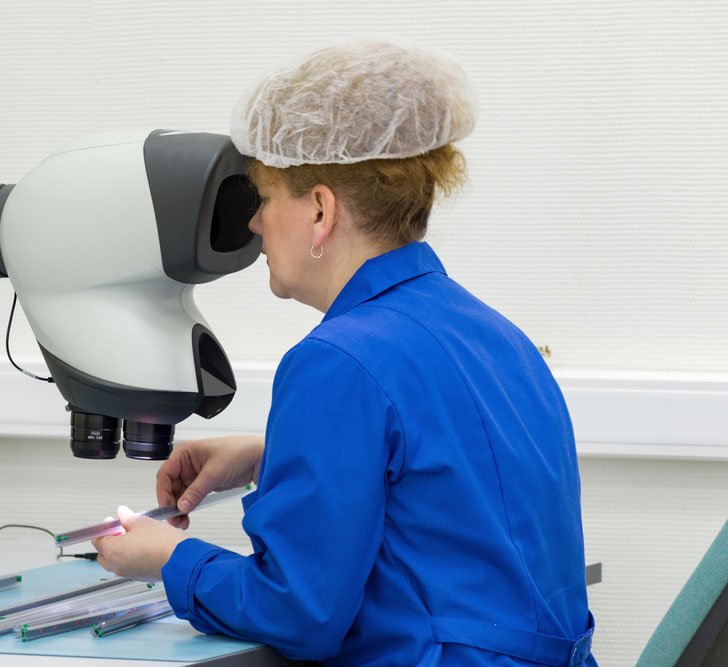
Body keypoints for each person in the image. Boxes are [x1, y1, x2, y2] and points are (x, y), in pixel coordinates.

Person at [92, 39, 596, 666]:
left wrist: (167, 560)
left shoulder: (338, 360)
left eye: (266, 199)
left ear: (321, 210)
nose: (254, 224)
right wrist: (271, 456)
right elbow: (450, 481)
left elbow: (299, 612)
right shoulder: (493, 334)